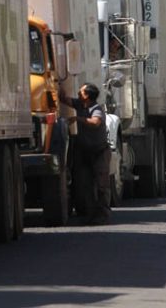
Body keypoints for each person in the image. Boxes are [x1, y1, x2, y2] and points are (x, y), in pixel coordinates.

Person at [59, 83, 111, 225]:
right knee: (86, 185)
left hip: (99, 152)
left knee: (101, 185)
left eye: (81, 91)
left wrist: (77, 119)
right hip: (85, 152)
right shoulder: (80, 104)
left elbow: (95, 122)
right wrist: (59, 83)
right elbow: (63, 99)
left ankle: (103, 214)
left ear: (87, 96)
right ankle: (90, 214)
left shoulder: (96, 109)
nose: (78, 92)